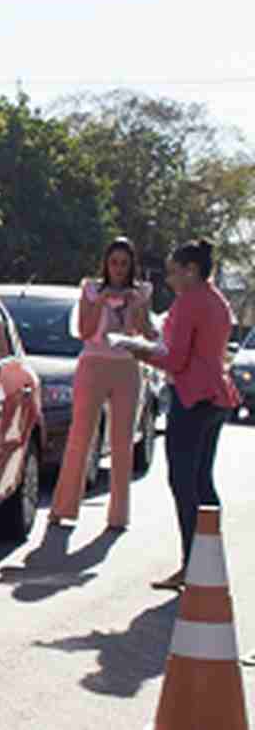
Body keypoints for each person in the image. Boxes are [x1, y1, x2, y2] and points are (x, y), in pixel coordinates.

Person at [125, 240, 238, 591]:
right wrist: (144, 327)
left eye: (174, 272)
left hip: (194, 397)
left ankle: (194, 564)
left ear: (191, 270)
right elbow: (170, 340)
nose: (170, 280)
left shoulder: (191, 300)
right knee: (202, 482)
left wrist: (137, 351)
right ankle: (207, 561)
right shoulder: (215, 299)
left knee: (184, 482)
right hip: (215, 395)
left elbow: (174, 359)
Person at [49, 237, 156, 531]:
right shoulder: (91, 289)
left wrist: (135, 306)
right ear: (106, 265)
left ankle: (118, 516)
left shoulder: (141, 292)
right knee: (80, 436)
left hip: (126, 367)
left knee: (123, 442)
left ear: (131, 265)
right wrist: (99, 301)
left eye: (124, 263)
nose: (119, 269)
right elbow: (84, 330)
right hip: (93, 364)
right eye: (114, 263)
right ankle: (63, 507)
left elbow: (144, 332)